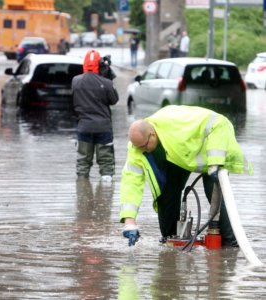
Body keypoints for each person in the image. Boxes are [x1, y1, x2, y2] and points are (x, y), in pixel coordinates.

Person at [120, 105, 253, 247]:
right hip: (179, 157)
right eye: (138, 148)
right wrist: (130, 222)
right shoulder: (137, 148)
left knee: (214, 194)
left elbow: (219, 123)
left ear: (152, 134)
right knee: (166, 193)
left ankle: (231, 243)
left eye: (144, 146)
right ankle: (171, 239)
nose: (142, 151)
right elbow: (131, 183)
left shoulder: (176, 124)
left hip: (213, 150)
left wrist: (215, 163)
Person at [72, 49, 119, 182]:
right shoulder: (106, 83)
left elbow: (74, 101)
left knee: (83, 162)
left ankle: (82, 190)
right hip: (103, 128)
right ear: (100, 65)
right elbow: (114, 100)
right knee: (106, 163)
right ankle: (106, 195)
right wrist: (107, 76)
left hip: (84, 127)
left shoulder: (75, 81)